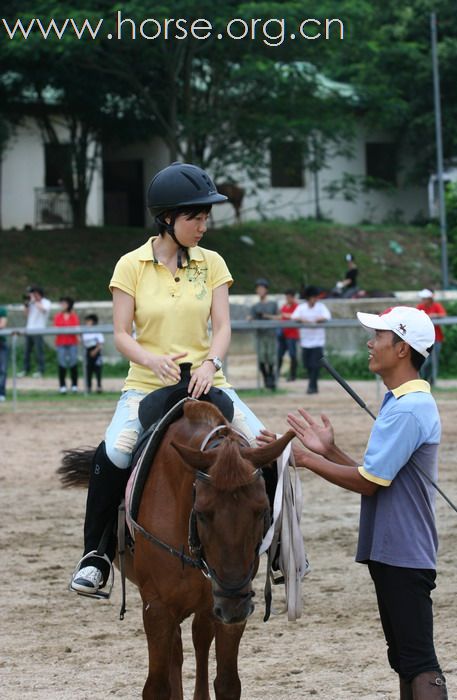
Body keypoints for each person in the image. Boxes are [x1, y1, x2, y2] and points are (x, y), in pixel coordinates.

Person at [70, 162, 268, 595]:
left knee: (265, 450)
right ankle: (96, 555)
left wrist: (210, 363)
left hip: (206, 380)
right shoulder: (130, 266)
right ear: (167, 219)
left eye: (205, 216)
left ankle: (275, 551)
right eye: (194, 217)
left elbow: (223, 327)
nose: (203, 225)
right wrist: (152, 359)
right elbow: (122, 334)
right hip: (147, 384)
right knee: (115, 453)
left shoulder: (212, 263)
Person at [283, 306, 447, 699]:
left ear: (402, 348)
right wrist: (331, 450)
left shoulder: (408, 408)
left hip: (404, 551)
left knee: (421, 662)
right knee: (406, 660)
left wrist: (309, 459)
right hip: (394, 550)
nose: (370, 343)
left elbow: (370, 483)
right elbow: (377, 474)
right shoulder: (401, 403)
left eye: (379, 336)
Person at [291, 285, 331, 394]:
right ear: (308, 298)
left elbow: (327, 316)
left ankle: (312, 386)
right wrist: (301, 319)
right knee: (307, 364)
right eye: (313, 297)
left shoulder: (320, 306)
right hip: (305, 341)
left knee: (315, 364)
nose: (315, 299)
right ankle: (313, 385)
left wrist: (320, 319)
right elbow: (293, 317)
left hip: (318, 341)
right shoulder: (302, 307)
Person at [248, 278, 279, 389]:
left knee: (271, 358)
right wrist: (251, 318)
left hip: (271, 334)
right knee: (261, 358)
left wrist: (267, 316)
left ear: (266, 290)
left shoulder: (272, 304)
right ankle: (266, 378)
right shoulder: (255, 306)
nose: (260, 291)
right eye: (258, 289)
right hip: (260, 335)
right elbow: (250, 317)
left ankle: (271, 378)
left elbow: (279, 317)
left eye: (262, 289)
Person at [416, 289, 447, 386]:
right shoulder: (420, 307)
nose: (422, 300)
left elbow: (443, 315)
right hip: (424, 339)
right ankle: (424, 378)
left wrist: (435, 315)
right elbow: (416, 316)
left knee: (434, 361)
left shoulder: (436, 306)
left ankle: (432, 380)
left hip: (437, 338)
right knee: (425, 361)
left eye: (424, 298)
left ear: (429, 299)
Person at [20, 286, 52, 378]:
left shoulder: (46, 302)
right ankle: (25, 369)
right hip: (29, 329)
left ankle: (40, 370)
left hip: (39, 329)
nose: (33, 295)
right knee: (26, 351)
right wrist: (26, 305)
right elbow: (26, 315)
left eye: (35, 293)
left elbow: (43, 310)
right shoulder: (31, 302)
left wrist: (35, 301)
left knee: (39, 351)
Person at [54, 297, 80, 394]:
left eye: (64, 304)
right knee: (62, 364)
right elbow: (57, 328)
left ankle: (74, 385)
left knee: (73, 363)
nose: (62, 306)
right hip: (61, 343)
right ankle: (62, 386)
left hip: (72, 342)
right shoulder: (58, 316)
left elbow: (76, 329)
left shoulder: (74, 316)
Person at [277, 288, 299, 381]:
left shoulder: (297, 306)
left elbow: (295, 316)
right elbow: (279, 315)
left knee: (292, 355)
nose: (287, 299)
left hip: (292, 335)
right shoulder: (284, 306)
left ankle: (293, 375)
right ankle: (277, 374)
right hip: (283, 334)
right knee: (279, 354)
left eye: (289, 297)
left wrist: (285, 315)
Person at [82, 313, 104, 393]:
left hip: (96, 351)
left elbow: (100, 343)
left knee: (98, 369)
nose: (87, 323)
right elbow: (84, 343)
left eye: (89, 321)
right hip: (88, 352)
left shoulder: (97, 331)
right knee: (88, 370)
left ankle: (99, 386)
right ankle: (88, 387)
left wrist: (95, 351)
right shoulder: (85, 332)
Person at [0, 305, 8, 401]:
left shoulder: (2, 310)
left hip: (1, 343)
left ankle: (1, 392)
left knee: (3, 369)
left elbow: (2, 324)